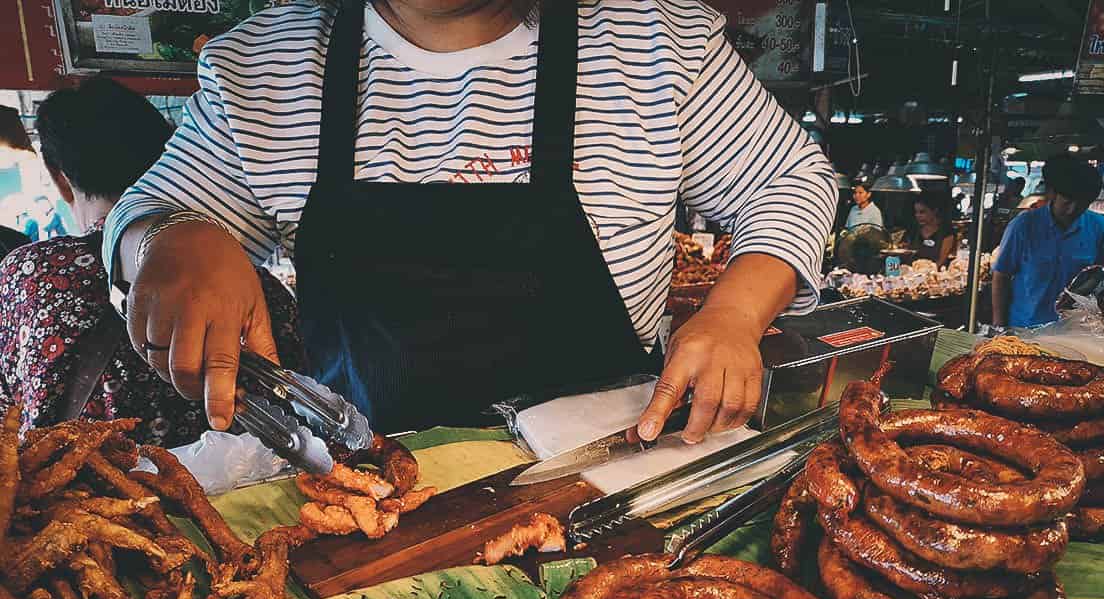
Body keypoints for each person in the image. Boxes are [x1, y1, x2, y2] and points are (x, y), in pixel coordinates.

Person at [104, 0, 837, 444]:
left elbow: (790, 178)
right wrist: (170, 241)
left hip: (607, 469)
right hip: (373, 483)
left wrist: (734, 315)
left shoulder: (653, 40)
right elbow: (145, 214)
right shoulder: (262, 66)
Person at [0, 77, 305, 446]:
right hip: (255, 496)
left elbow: (7, 420)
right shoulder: (247, 278)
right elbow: (299, 399)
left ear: (59, 178)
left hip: (77, 496)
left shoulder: (27, 276)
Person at [991, 154, 1104, 329]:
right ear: (1052, 193)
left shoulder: (1099, 226)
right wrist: (998, 326)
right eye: (1067, 202)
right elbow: (1001, 276)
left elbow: (1100, 273)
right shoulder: (1023, 226)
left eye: (1082, 204)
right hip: (1026, 326)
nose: (1072, 210)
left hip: (1075, 328)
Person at [903, 192, 956, 268]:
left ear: (934, 211)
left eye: (922, 212)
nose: (917, 215)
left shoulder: (946, 232)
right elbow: (907, 252)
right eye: (916, 212)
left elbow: (941, 261)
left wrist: (926, 273)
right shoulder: (913, 230)